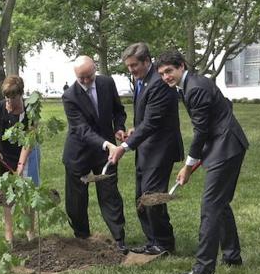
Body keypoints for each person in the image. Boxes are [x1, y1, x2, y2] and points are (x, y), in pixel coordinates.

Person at [157, 50, 248, 274]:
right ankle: (232, 256)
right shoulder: (191, 85)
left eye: (169, 71)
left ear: (181, 66)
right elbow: (224, 106)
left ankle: (202, 270)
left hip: (226, 148)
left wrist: (188, 166)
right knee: (220, 204)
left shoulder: (195, 88)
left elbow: (200, 132)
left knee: (210, 207)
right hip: (224, 145)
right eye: (162, 73)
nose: (166, 76)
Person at [108, 42, 184, 255]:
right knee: (141, 197)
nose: (131, 70)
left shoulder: (158, 83)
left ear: (147, 61)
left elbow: (153, 123)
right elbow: (147, 119)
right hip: (146, 148)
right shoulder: (142, 81)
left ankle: (164, 244)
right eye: (128, 66)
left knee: (151, 197)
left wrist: (124, 146)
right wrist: (134, 129)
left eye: (134, 65)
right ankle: (153, 241)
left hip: (161, 149)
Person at [61, 55, 128, 253]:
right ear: (75, 75)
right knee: (77, 199)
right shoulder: (70, 96)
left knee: (109, 193)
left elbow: (119, 110)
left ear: (95, 70)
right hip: (78, 153)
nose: (86, 81)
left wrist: (119, 127)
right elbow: (81, 129)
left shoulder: (107, 83)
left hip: (106, 153)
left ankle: (118, 238)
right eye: (81, 78)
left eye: (89, 76)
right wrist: (107, 144)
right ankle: (82, 238)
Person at [0, 75, 39, 244]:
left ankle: (30, 231)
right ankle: (9, 234)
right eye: (6, 97)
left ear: (21, 94)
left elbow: (29, 141)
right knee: (9, 196)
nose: (9, 101)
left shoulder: (30, 110)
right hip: (5, 156)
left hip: (28, 155)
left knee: (28, 193)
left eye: (13, 97)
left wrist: (21, 164)